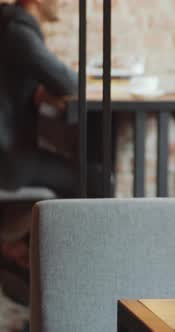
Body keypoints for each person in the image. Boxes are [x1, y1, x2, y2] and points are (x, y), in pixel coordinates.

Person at [0, 0, 79, 198]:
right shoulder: (17, 31)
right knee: (94, 178)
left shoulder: (8, 25)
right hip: (8, 160)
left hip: (8, 153)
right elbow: (69, 84)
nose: (62, 3)